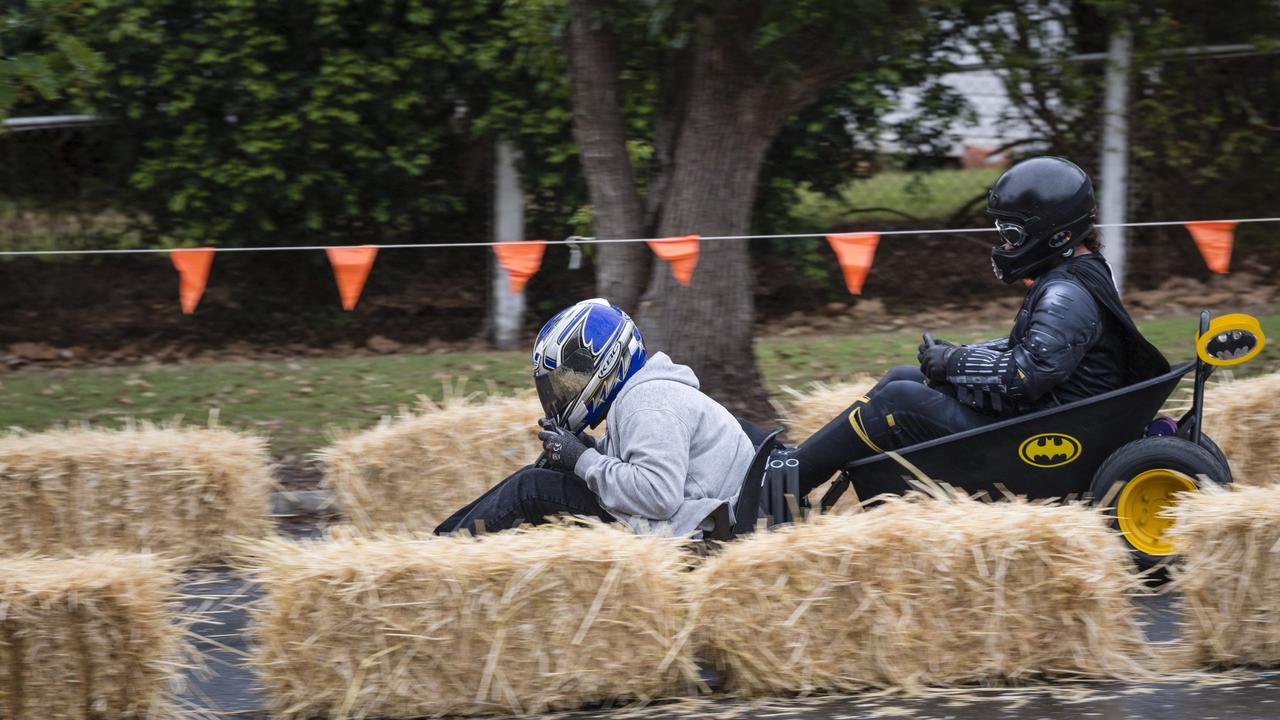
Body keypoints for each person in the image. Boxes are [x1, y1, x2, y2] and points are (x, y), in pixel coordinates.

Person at [790, 156, 1170, 496]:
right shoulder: (1077, 275)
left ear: (1055, 234)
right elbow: (1035, 352)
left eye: (1012, 236)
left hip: (1046, 437)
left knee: (896, 403)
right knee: (903, 377)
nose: (1003, 246)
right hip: (1054, 416)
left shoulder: (1065, 294)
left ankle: (784, 481)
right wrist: (962, 355)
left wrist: (954, 363)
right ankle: (798, 464)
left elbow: (1027, 373)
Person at [435, 298, 756, 536]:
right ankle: (441, 543)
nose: (561, 394)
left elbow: (658, 495)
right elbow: (638, 465)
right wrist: (587, 449)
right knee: (535, 478)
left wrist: (582, 460)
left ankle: (445, 560)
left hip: (694, 529)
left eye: (569, 382)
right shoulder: (643, 395)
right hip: (691, 516)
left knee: (530, 488)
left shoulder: (648, 403)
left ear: (605, 366)